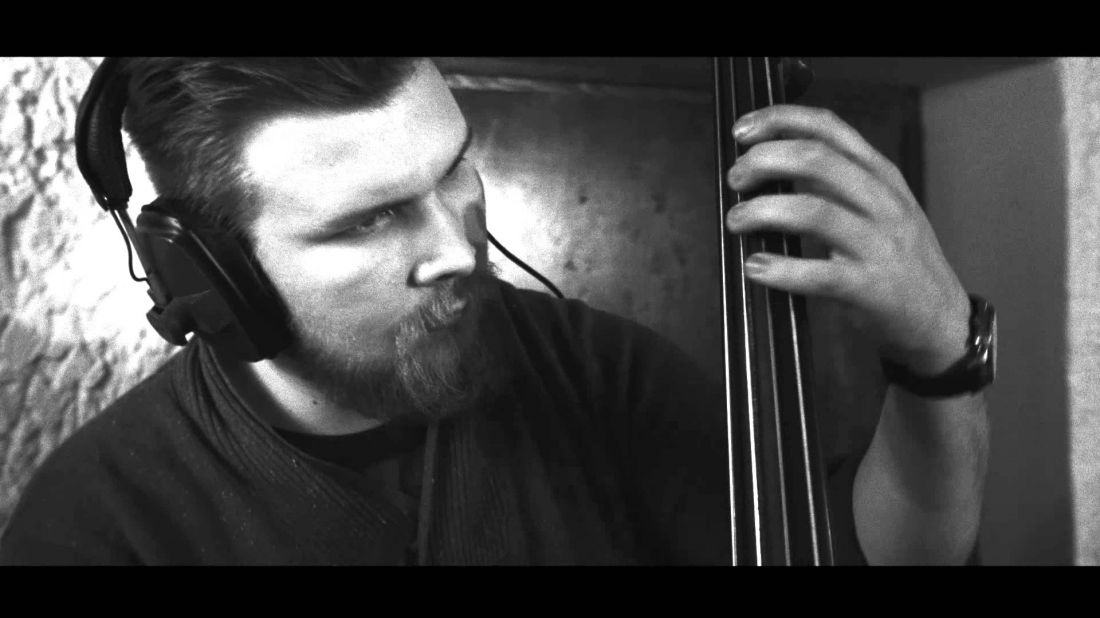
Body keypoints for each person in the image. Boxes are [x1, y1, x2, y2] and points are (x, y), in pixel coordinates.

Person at [0, 57, 991, 565]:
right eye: (368, 221)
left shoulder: (593, 369)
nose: (456, 246)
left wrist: (940, 357)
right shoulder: (97, 527)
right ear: (208, 275)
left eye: (453, 169)